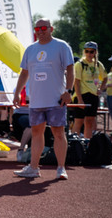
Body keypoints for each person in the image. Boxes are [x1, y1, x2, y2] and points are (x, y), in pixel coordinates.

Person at [12, 18, 74, 179]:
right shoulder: (31, 49)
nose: (40, 31)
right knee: (36, 132)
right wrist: (17, 92)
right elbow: (24, 73)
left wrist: (69, 90)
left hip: (56, 99)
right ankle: (34, 168)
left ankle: (61, 168)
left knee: (59, 133)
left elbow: (70, 69)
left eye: (43, 28)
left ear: (51, 28)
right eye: (37, 28)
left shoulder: (62, 46)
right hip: (36, 100)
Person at [71, 41, 106, 138]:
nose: (89, 54)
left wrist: (101, 89)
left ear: (95, 52)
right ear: (84, 52)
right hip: (81, 95)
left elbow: (106, 78)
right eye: (87, 51)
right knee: (78, 122)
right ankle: (74, 146)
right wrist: (80, 99)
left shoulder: (98, 65)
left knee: (90, 122)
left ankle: (88, 145)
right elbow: (76, 82)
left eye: (92, 51)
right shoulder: (79, 64)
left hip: (93, 96)